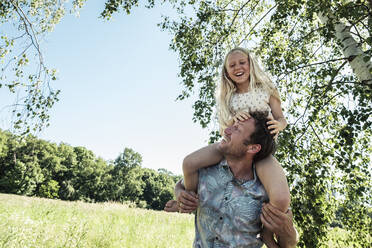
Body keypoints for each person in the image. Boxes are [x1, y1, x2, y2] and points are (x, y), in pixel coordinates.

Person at [189, 47, 290, 247]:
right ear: (226, 72)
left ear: (251, 64)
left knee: (280, 197)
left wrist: (279, 125)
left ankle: (267, 234)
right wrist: (232, 121)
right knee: (190, 163)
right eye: (232, 65)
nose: (238, 67)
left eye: (242, 62)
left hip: (260, 150)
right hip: (233, 147)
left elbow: (281, 118)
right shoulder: (229, 97)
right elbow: (224, 131)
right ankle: (186, 199)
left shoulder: (267, 88)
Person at [165, 111, 297, 247]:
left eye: (237, 129)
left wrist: (290, 237)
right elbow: (181, 185)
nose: (226, 130)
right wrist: (179, 193)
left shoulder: (267, 190)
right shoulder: (205, 172)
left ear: (253, 147)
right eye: (233, 125)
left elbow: (285, 242)